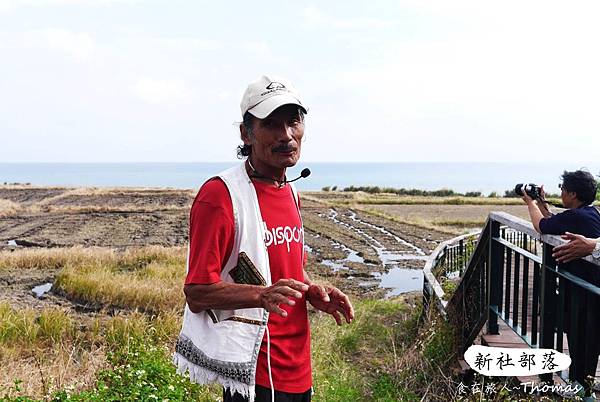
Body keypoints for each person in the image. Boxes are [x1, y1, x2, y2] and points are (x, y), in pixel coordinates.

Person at [174, 75, 354, 402]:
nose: (286, 135)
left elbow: (290, 273)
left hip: (298, 368)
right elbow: (197, 292)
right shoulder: (220, 196)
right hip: (256, 373)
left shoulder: (291, 191)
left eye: (293, 121)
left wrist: (313, 292)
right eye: (271, 124)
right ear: (246, 133)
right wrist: (261, 295)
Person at [521, 169, 600, 387]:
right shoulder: (591, 213)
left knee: (580, 337)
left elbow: (542, 226)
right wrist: (542, 203)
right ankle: (586, 382)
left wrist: (530, 204)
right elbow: (555, 221)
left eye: (563, 189)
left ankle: (579, 384)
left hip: (581, 291)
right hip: (592, 287)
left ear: (573, 194)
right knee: (590, 338)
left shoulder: (575, 217)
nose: (562, 193)